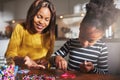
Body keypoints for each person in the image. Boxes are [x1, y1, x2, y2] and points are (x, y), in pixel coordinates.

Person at [50, 0, 120, 74]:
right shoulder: (71, 42)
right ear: (80, 27)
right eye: (82, 36)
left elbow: (104, 73)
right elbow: (52, 56)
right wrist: (57, 58)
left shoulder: (101, 48)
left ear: (101, 36)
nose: (84, 43)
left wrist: (92, 69)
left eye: (90, 41)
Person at [5, 0, 56, 69]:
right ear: (31, 15)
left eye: (46, 19)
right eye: (39, 17)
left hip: (40, 73)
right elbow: (9, 55)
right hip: (21, 71)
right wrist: (22, 60)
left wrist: (46, 61)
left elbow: (48, 57)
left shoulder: (50, 35)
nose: (42, 22)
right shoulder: (20, 28)